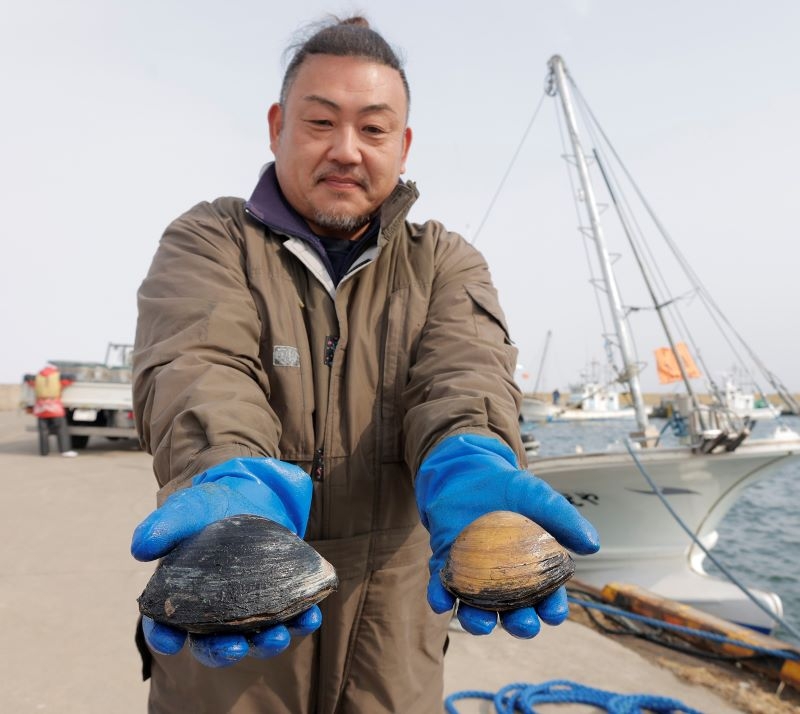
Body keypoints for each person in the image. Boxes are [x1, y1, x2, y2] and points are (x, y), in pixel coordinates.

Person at [130, 15, 599, 714]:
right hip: (233, 644)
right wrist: (232, 477)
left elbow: (463, 374)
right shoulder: (210, 240)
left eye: (373, 129)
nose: (346, 150)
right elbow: (199, 367)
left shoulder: (445, 262)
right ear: (277, 126)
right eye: (321, 122)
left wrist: (469, 459)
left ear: (402, 146)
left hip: (395, 635)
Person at [28, 364, 77, 457]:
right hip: (55, 409)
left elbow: (30, 383)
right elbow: (68, 382)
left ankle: (44, 452)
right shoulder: (57, 377)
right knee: (61, 430)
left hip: (41, 409)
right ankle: (65, 450)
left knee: (43, 431)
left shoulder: (38, 378)